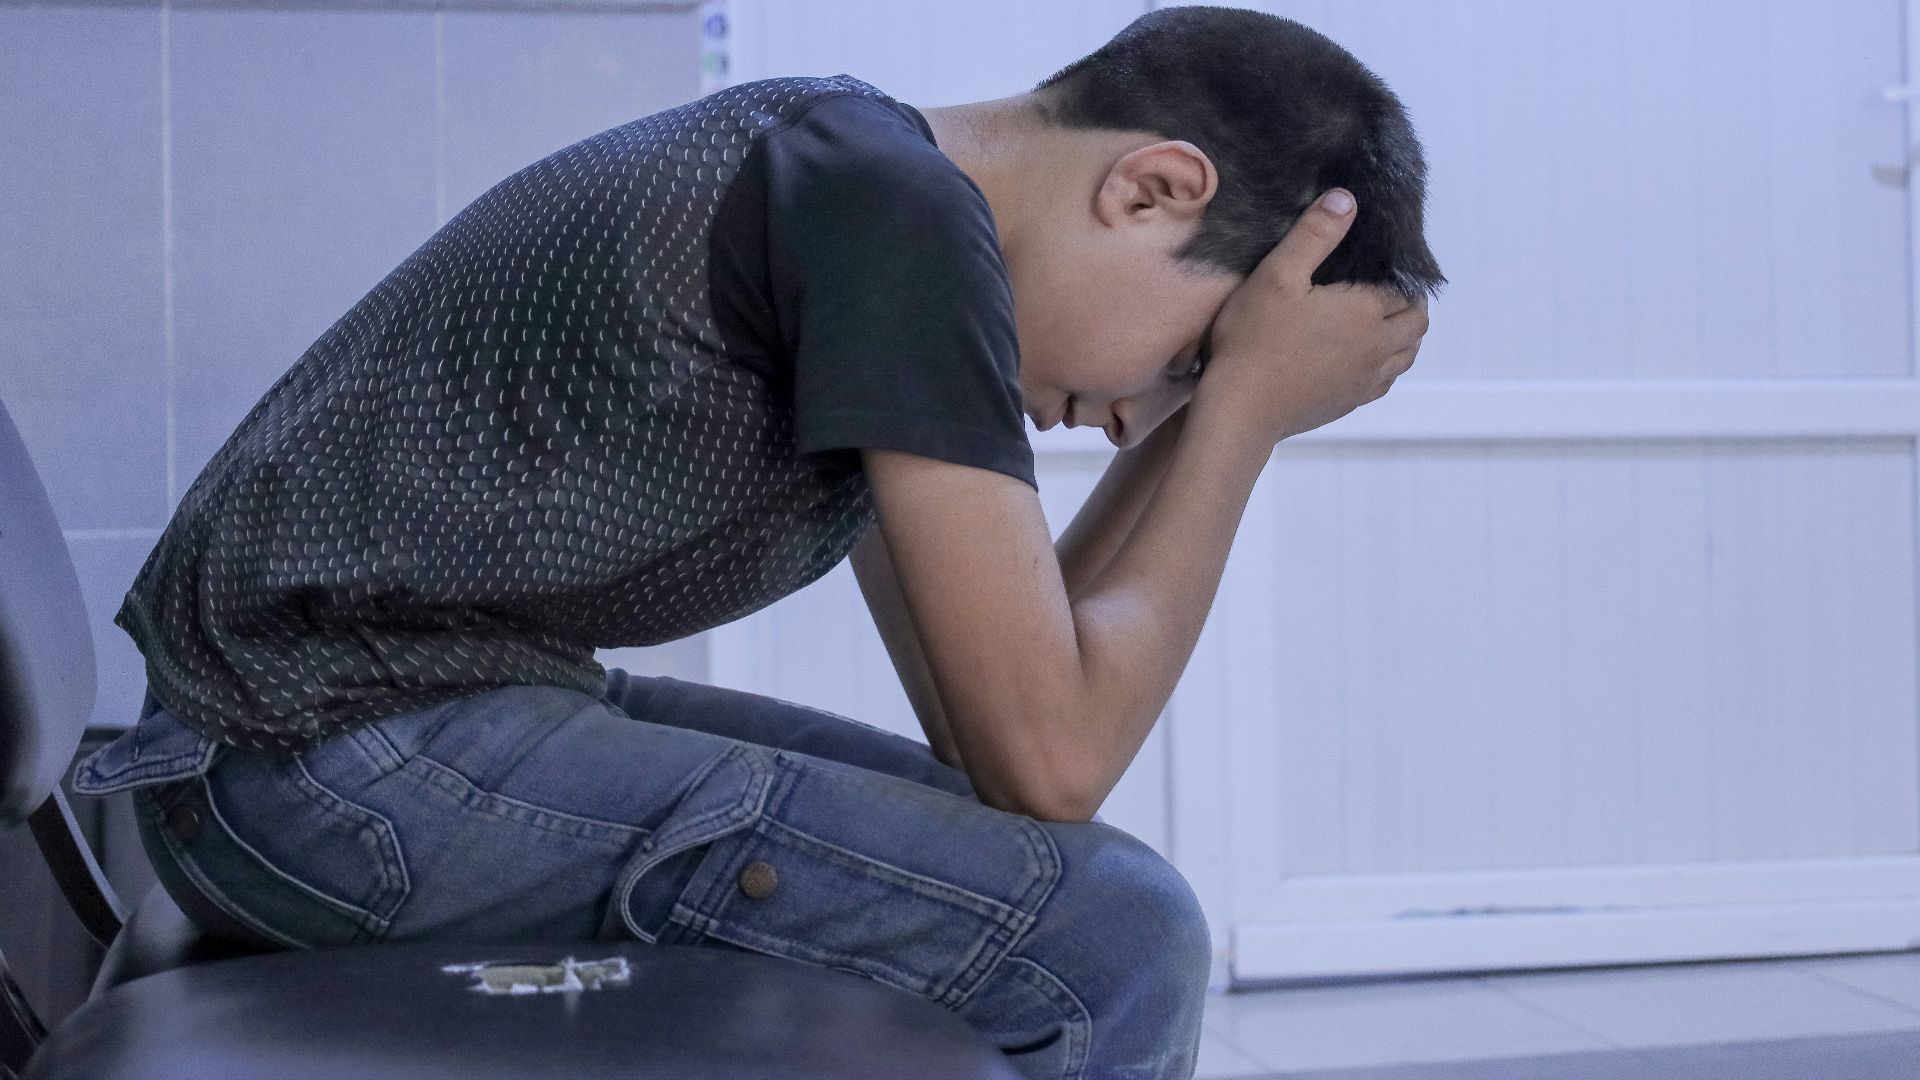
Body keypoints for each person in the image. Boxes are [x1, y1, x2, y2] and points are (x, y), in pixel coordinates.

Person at [69, 6, 1442, 1077]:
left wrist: (1221, 397)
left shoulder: (868, 184)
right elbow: (1057, 753)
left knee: (1050, 880)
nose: (1141, 418)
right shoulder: (893, 220)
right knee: (1116, 935)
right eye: (1189, 358)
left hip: (346, 737)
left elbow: (995, 731)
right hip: (319, 767)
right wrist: (1247, 415)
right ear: (1151, 189)